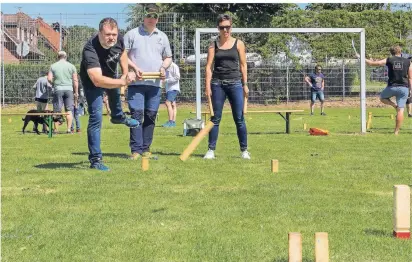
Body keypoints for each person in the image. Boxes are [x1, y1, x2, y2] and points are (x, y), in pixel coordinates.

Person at [79, 17, 139, 171]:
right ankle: (96, 160)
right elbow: (98, 80)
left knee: (115, 100)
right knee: (96, 117)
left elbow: (123, 53)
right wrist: (123, 82)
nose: (111, 38)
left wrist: (125, 73)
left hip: (111, 76)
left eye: (114, 34)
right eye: (107, 35)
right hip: (92, 83)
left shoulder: (118, 39)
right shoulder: (89, 49)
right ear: (99, 33)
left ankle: (118, 117)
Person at [124, 4, 172, 160]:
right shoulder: (132, 34)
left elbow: (168, 57)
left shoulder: (162, 36)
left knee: (151, 115)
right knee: (136, 115)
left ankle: (146, 149)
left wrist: (164, 68)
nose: (152, 19)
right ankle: (136, 150)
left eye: (155, 16)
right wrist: (133, 68)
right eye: (149, 16)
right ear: (143, 17)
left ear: (158, 18)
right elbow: (122, 56)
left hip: (155, 84)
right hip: (136, 84)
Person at [203, 13, 250, 160]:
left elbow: (243, 65)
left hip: (235, 83)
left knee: (239, 118)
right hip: (217, 84)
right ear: (218, 28)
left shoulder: (239, 44)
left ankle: (244, 150)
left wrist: (245, 84)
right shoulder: (213, 45)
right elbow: (209, 67)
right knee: (215, 118)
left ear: (231, 27)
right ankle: (211, 150)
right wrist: (207, 86)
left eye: (228, 27)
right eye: (222, 27)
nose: (225, 30)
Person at [357, 45, 412, 135]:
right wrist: (411, 90)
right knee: (401, 110)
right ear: (400, 52)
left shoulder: (389, 59)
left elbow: (372, 63)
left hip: (391, 87)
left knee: (382, 98)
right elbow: (410, 78)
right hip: (404, 88)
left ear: (391, 52)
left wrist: (361, 57)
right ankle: (396, 132)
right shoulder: (408, 62)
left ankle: (393, 105)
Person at [48, 50, 78, 133]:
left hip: (58, 89)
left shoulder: (53, 66)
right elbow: (75, 81)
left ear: (58, 57)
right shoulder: (71, 66)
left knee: (57, 110)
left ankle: (56, 130)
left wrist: (54, 83)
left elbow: (49, 79)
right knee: (69, 110)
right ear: (66, 57)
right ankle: (68, 129)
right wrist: (76, 92)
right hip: (69, 90)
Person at [162, 62, 180, 127]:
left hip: (173, 88)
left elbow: (177, 77)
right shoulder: (165, 66)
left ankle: (170, 121)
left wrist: (166, 80)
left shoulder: (174, 66)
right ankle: (173, 122)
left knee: (167, 103)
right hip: (169, 89)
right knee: (173, 104)